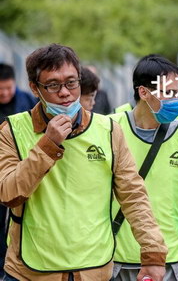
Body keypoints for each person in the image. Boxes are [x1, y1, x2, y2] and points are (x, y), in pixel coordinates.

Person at [0, 44, 167, 280]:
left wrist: (153, 252)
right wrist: (48, 145)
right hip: (30, 271)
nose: (65, 92)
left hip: (92, 269)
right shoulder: (12, 130)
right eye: (53, 85)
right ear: (34, 89)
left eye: (71, 82)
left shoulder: (108, 130)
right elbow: (9, 194)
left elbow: (134, 195)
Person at [110, 54, 178, 281]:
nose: (175, 101)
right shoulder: (111, 129)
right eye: (168, 93)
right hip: (117, 260)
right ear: (143, 92)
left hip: (170, 262)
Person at [0, 63, 37, 277]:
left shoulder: (27, 102)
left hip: (19, 171)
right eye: (0, 89)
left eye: (8, 88)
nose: (4, 93)